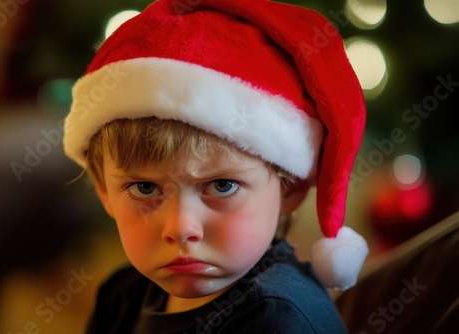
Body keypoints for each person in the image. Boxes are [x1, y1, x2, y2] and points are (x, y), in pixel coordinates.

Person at [63, 0, 369, 332]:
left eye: (222, 185)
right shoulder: (122, 296)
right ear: (104, 190)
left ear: (290, 187)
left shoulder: (278, 318)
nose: (180, 228)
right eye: (145, 188)